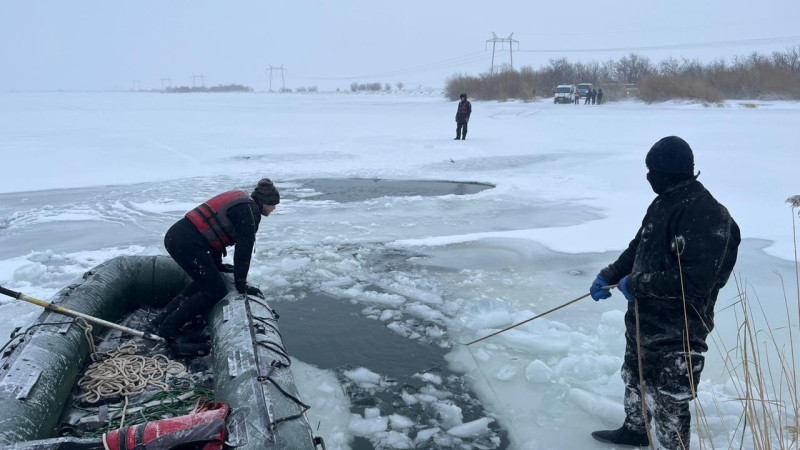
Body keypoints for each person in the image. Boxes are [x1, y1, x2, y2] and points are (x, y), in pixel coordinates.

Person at [588, 136, 740, 449]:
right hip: (644, 321)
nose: (648, 177)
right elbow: (639, 247)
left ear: (668, 172)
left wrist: (638, 284)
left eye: (652, 171)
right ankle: (636, 430)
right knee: (635, 379)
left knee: (670, 398)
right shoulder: (663, 202)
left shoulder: (709, 215)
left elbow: (695, 282)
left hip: (679, 330)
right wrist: (611, 274)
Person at [152, 178, 280, 340]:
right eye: (273, 204)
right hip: (186, 242)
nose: (274, 208)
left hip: (178, 237)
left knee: (203, 283)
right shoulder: (248, 212)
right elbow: (244, 249)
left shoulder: (243, 203)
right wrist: (241, 283)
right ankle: (168, 329)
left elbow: (212, 233)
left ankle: (160, 320)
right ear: (265, 201)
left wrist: (217, 265)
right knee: (215, 291)